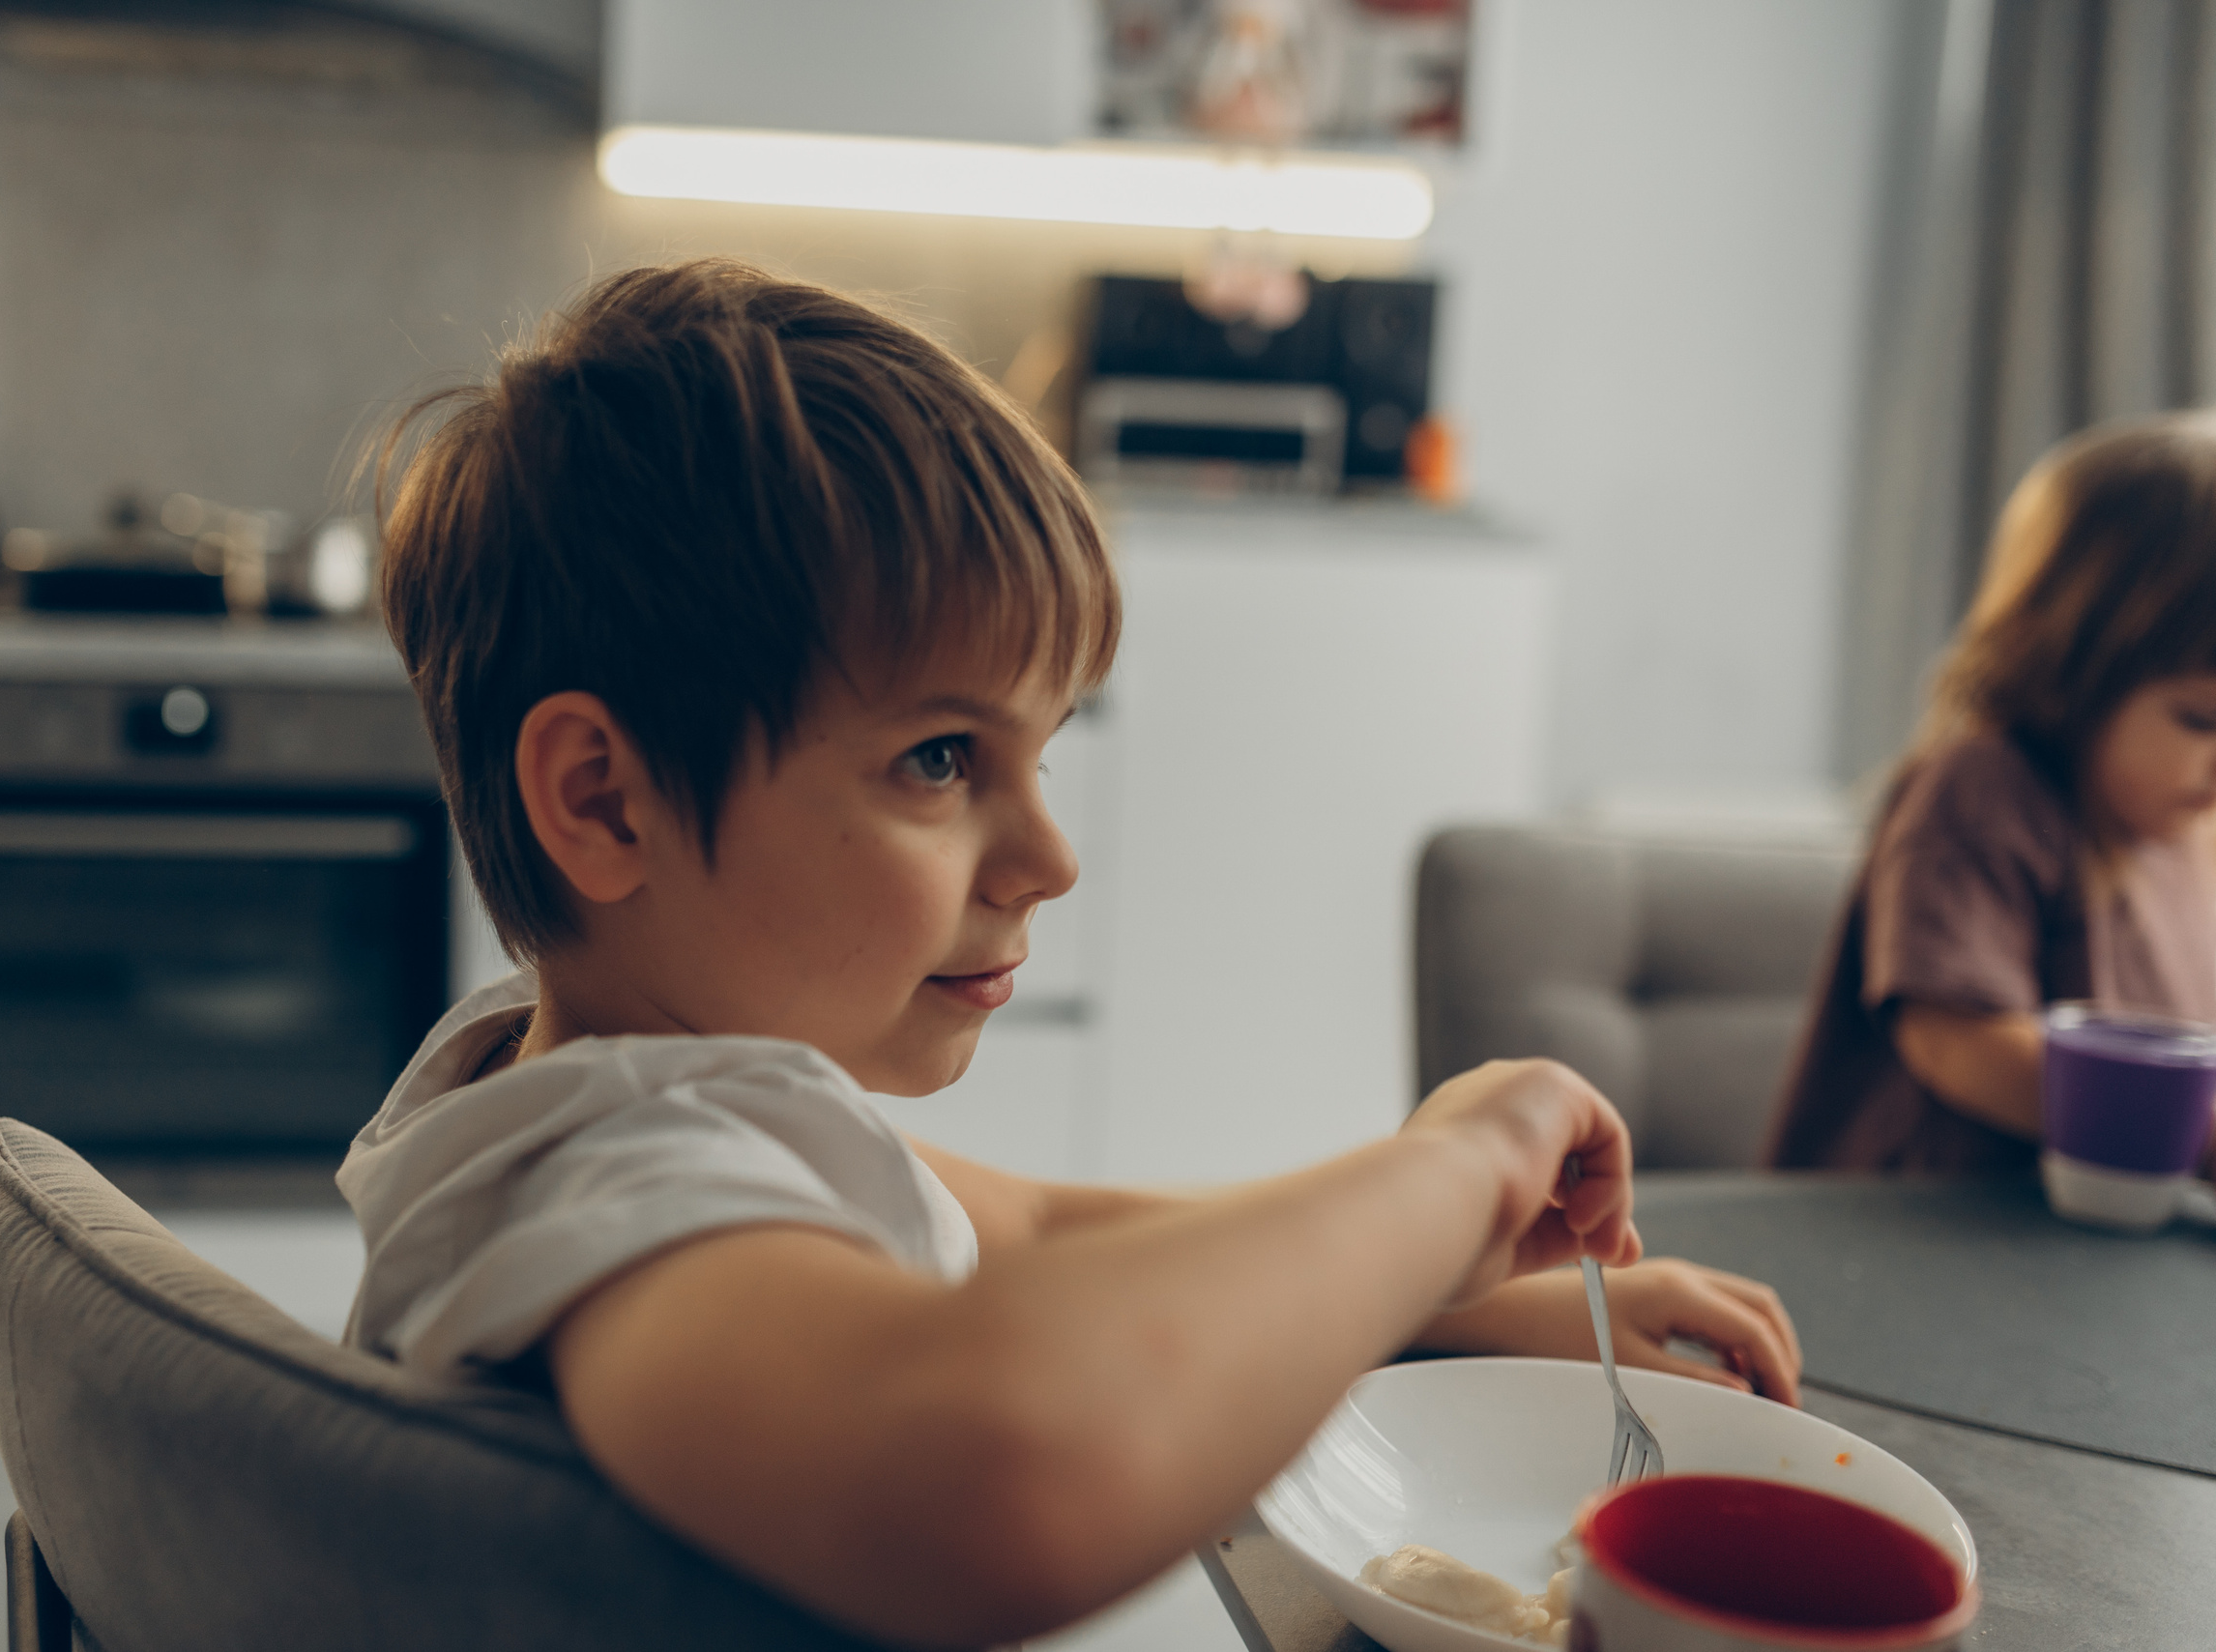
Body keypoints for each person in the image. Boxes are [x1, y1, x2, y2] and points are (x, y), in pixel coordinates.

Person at [339, 260, 1802, 1646]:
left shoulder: (622, 1083)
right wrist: (1447, 1178)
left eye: (1038, 755)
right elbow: (999, 1471)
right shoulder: (615, 1194)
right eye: (936, 757)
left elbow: (1035, 1230)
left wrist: (1457, 1293)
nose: (1050, 858)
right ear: (605, 798)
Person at [1770, 413, 2216, 1173]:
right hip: (1910, 1230)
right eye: (2199, 718)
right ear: (2068, 665)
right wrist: (2193, 1135)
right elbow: (1958, 1040)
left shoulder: (2180, 826)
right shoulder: (1983, 792)